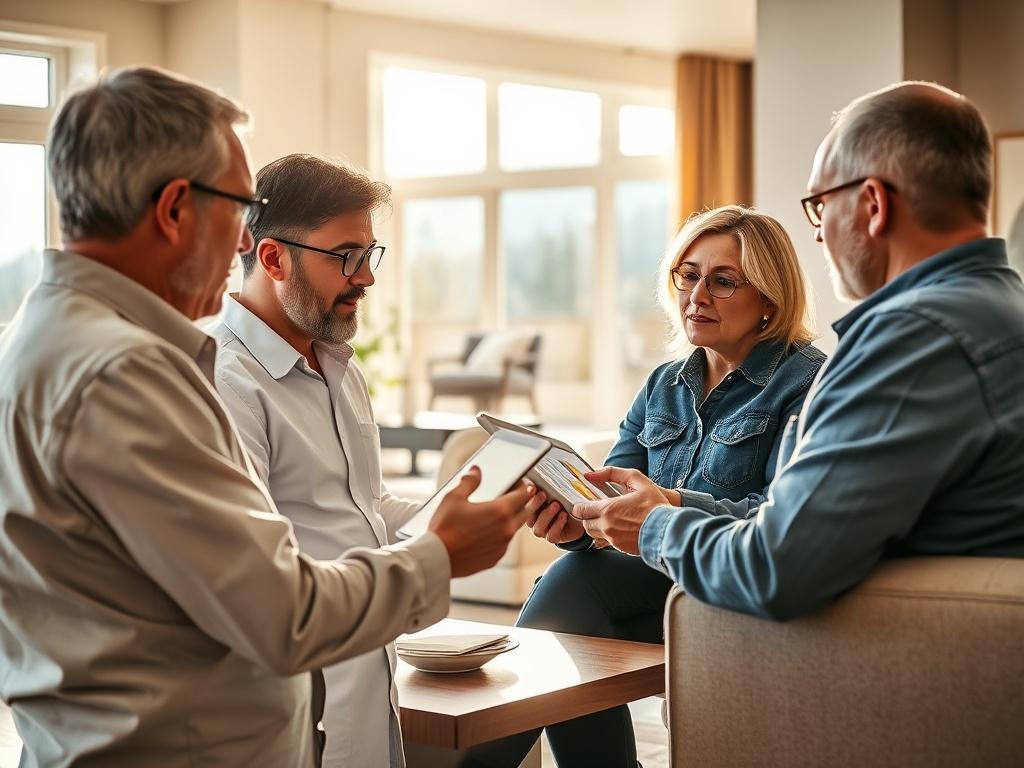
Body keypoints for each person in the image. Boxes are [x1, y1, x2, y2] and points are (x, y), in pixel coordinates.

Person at [0, 66, 545, 768]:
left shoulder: (51, 341)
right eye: (236, 204)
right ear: (173, 208)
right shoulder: (124, 374)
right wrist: (437, 557)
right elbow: (278, 611)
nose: (238, 242)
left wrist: (459, 517)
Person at [573, 82, 1024, 624]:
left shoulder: (912, 339)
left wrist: (653, 527)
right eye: (688, 277)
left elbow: (774, 567)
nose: (818, 235)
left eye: (820, 205)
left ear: (873, 204)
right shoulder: (1000, 308)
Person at [465, 206, 826, 768]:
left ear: (769, 300)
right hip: (650, 588)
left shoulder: (808, 384)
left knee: (569, 602)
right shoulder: (665, 384)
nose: (697, 295)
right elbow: (610, 503)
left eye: (723, 280)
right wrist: (574, 525)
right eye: (688, 274)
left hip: (729, 583)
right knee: (574, 588)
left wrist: (671, 506)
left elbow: (780, 516)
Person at [206, 153, 434, 767]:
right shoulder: (225, 382)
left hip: (367, 687)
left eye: (370, 255)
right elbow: (248, 573)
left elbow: (364, 508)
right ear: (274, 257)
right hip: (292, 709)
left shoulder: (336, 364)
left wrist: (475, 509)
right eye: (346, 256)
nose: (365, 277)